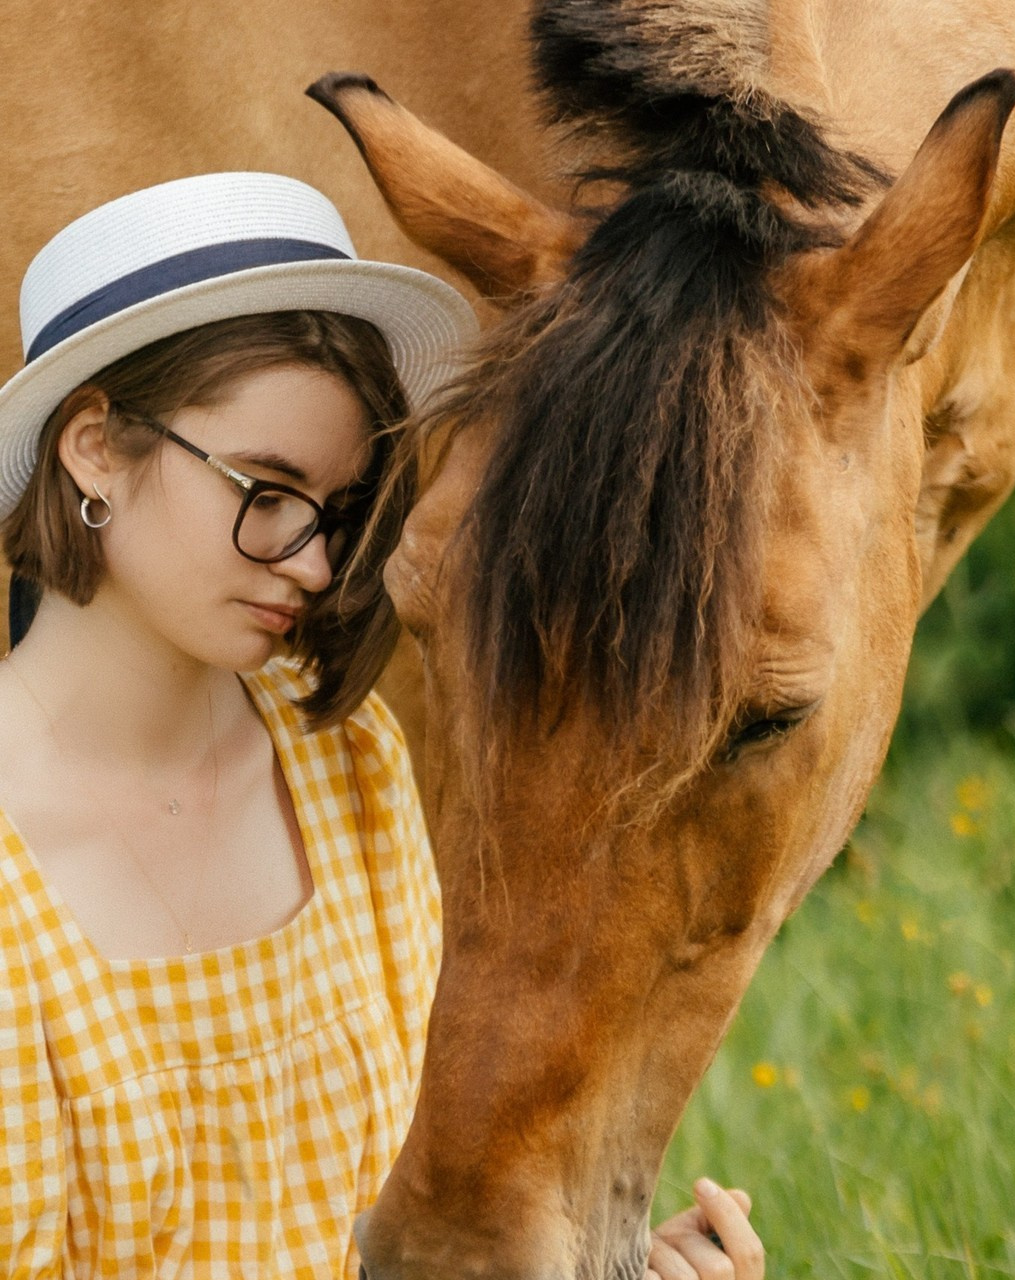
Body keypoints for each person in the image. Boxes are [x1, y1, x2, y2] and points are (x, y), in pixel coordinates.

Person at [0, 172, 763, 1279]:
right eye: (264, 488)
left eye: (337, 508)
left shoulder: (346, 768)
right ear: (93, 447)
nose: (312, 562)